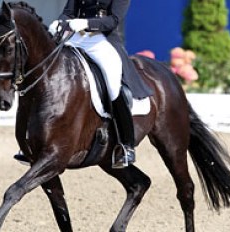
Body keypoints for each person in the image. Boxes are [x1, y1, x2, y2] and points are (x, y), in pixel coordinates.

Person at [15, 0, 153, 168]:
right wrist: (61, 22)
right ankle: (29, 141)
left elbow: (113, 20)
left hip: (102, 41)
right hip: (75, 37)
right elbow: (69, 11)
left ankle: (126, 145)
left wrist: (87, 23)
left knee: (113, 86)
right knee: (45, 69)